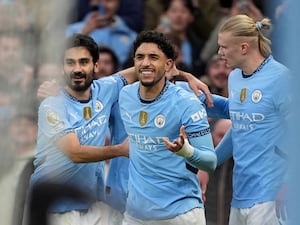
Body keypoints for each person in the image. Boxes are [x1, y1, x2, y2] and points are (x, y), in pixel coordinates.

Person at [29, 33, 137, 225]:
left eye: (83, 62)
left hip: (91, 206)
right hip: (54, 209)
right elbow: (75, 153)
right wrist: (120, 150)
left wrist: (184, 75)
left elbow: (141, 70)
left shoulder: (104, 88)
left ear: (96, 65)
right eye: (70, 63)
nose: (77, 69)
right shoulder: (52, 106)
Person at [118, 30, 216, 225]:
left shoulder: (187, 102)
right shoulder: (125, 95)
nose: (145, 63)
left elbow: (210, 162)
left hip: (181, 214)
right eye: (140, 57)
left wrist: (186, 151)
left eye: (154, 57)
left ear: (168, 64)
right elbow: (90, 89)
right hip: (136, 215)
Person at [216, 14, 289, 225]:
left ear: (244, 48)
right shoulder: (235, 77)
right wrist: (209, 162)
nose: (219, 53)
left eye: (223, 47)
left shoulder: (281, 78)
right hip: (240, 193)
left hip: (271, 195)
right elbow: (240, 124)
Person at [66, 0, 137, 69]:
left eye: (108, 1)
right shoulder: (71, 31)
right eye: (98, 0)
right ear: (91, 2)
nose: (103, 5)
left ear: (117, 3)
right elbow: (62, 59)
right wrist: (84, 32)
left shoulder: (131, 36)